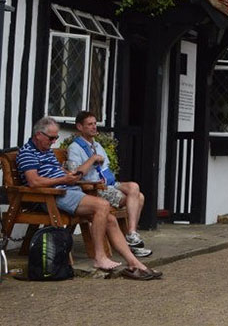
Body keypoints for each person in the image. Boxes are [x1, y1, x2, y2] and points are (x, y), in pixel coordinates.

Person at [16, 117, 161, 279]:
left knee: (110, 219)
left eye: (56, 138)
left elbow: (57, 172)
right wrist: (63, 180)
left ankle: (134, 262)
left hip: (68, 190)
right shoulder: (27, 153)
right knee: (102, 206)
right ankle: (99, 257)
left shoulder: (47, 151)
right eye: (51, 138)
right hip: (53, 195)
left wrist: (69, 176)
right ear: (38, 135)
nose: (54, 141)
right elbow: (34, 182)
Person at [66, 111, 151, 257]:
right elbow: (75, 174)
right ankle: (132, 241)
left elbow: (106, 169)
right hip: (93, 187)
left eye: (95, 124)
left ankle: (131, 234)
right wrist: (92, 159)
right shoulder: (75, 148)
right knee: (139, 198)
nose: (94, 127)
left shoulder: (97, 145)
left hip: (108, 184)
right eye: (90, 124)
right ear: (80, 127)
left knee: (134, 187)